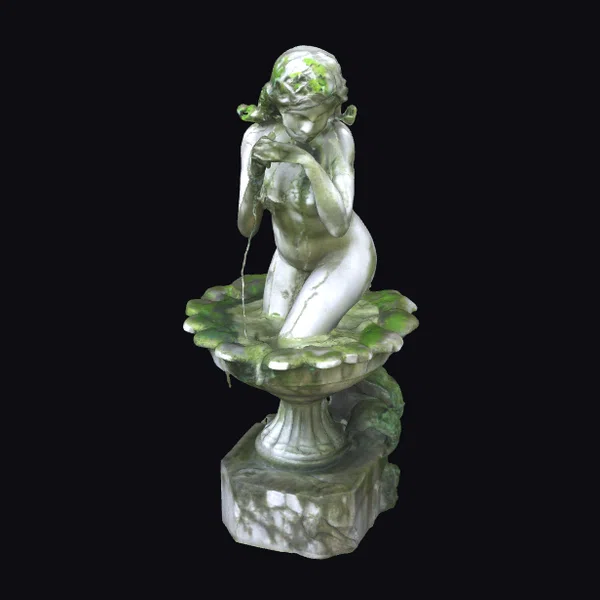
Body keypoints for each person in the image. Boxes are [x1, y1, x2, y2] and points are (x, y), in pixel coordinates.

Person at [237, 46, 376, 344]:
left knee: (293, 344)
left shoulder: (337, 138)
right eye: (299, 116)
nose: (309, 127)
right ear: (279, 106)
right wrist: (256, 175)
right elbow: (247, 228)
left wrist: (307, 161)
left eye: (321, 115)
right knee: (268, 333)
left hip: (343, 255)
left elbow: (338, 225)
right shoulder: (256, 138)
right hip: (289, 258)